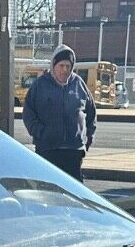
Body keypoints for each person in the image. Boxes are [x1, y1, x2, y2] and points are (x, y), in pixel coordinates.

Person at [21, 45, 96, 182]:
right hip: (48, 149)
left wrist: (87, 138)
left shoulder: (79, 84)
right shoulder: (40, 85)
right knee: (48, 190)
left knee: (74, 193)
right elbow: (28, 113)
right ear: (53, 65)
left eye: (68, 66)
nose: (65, 70)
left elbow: (91, 113)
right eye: (61, 65)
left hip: (74, 151)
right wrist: (41, 132)